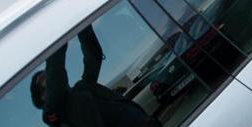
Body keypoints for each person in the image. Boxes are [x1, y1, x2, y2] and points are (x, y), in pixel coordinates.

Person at [30, 26, 159, 127]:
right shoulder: (54, 112)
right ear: (42, 97)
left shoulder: (81, 88)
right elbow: (55, 72)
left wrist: (81, 25)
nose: (48, 78)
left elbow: (93, 57)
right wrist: (61, 27)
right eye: (43, 80)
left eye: (47, 75)